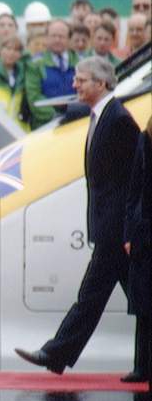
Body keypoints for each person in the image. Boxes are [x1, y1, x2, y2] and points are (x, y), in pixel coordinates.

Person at [15, 57, 141, 377]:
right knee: (140, 299)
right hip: (110, 227)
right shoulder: (101, 117)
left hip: (116, 230)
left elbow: (134, 181)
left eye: (81, 80)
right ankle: (143, 367)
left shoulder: (119, 120)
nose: (74, 85)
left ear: (101, 83)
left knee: (91, 296)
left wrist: (127, 229)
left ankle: (55, 353)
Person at [124, 115, 151, 390]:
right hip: (144, 233)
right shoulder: (145, 138)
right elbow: (135, 189)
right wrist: (129, 233)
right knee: (143, 304)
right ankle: (141, 366)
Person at [25, 20, 78, 130]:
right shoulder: (35, 64)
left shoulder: (80, 63)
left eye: (61, 36)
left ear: (69, 39)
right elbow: (34, 98)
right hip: (45, 127)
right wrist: (57, 118)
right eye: (53, 36)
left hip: (76, 124)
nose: (57, 40)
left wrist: (73, 115)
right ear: (46, 38)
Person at [0, 36, 30, 131]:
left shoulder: (24, 75)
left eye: (16, 50)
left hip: (19, 129)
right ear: (0, 50)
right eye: (8, 48)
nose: (11, 53)